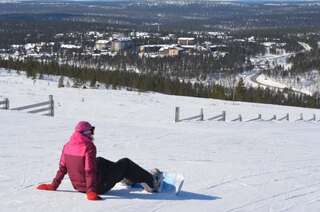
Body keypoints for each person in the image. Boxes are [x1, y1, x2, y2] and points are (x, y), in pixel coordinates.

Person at [37, 121, 162, 200]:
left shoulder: (67, 146)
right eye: (91, 131)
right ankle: (151, 182)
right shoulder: (88, 146)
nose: (92, 133)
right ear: (85, 132)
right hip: (96, 187)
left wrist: (54, 185)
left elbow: (62, 168)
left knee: (99, 160)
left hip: (79, 186)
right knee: (125, 163)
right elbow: (89, 171)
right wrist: (91, 191)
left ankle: (125, 176)